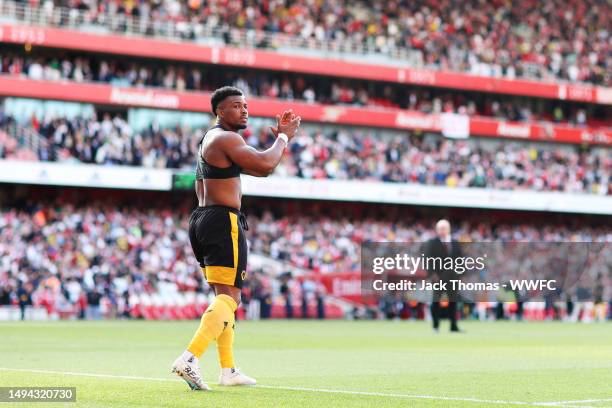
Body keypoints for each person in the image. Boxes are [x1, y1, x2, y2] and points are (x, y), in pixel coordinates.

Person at [171, 86, 301, 390]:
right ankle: (190, 357)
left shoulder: (210, 139)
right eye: (236, 106)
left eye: (245, 105)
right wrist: (283, 137)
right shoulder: (227, 138)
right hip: (221, 220)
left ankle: (228, 370)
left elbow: (217, 178)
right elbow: (265, 166)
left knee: (224, 298)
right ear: (220, 111)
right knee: (230, 299)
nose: (244, 111)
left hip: (203, 218)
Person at [424, 219, 463, 333]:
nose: (442, 231)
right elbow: (428, 259)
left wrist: (460, 274)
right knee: (436, 301)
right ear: (437, 230)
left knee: (453, 302)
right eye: (440, 228)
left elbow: (460, 260)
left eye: (444, 228)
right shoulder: (432, 243)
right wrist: (432, 275)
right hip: (438, 277)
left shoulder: (455, 243)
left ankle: (453, 326)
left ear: (448, 229)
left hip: (453, 277)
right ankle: (436, 326)